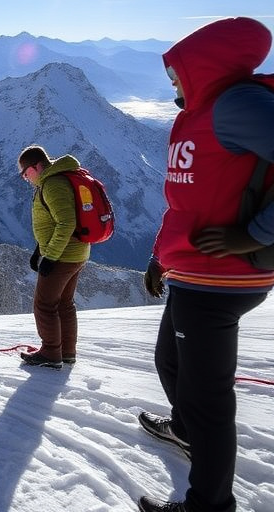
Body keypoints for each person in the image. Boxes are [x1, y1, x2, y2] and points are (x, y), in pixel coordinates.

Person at [137, 17, 274, 512]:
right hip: (194, 274)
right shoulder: (199, 113)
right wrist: (160, 256)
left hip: (221, 277)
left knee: (207, 399)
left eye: (176, 72)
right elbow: (186, 201)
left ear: (202, 65)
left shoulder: (236, 104)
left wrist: (254, 234)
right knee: (169, 362)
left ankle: (209, 504)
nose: (172, 82)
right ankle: (188, 432)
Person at [17, 145, 90, 369]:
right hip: (75, 253)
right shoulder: (56, 180)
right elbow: (53, 221)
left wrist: (50, 257)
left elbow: (66, 222)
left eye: (25, 173)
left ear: (37, 166)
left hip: (63, 255)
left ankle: (50, 353)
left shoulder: (52, 184)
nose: (25, 178)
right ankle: (66, 352)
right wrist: (40, 250)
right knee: (64, 304)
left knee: (44, 305)